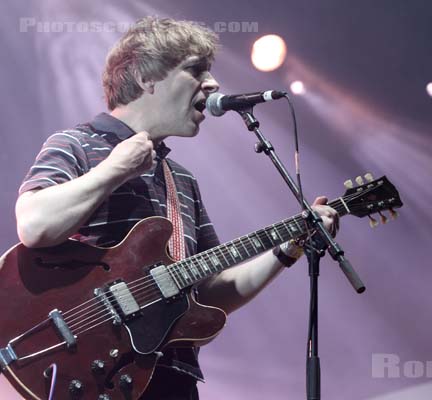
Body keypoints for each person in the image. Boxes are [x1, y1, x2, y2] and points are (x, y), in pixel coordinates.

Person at [15, 17, 338, 400]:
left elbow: (208, 293)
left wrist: (287, 249)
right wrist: (114, 169)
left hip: (171, 377)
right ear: (145, 77)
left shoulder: (181, 180)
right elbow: (34, 225)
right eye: (195, 69)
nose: (213, 84)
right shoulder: (76, 144)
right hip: (93, 374)